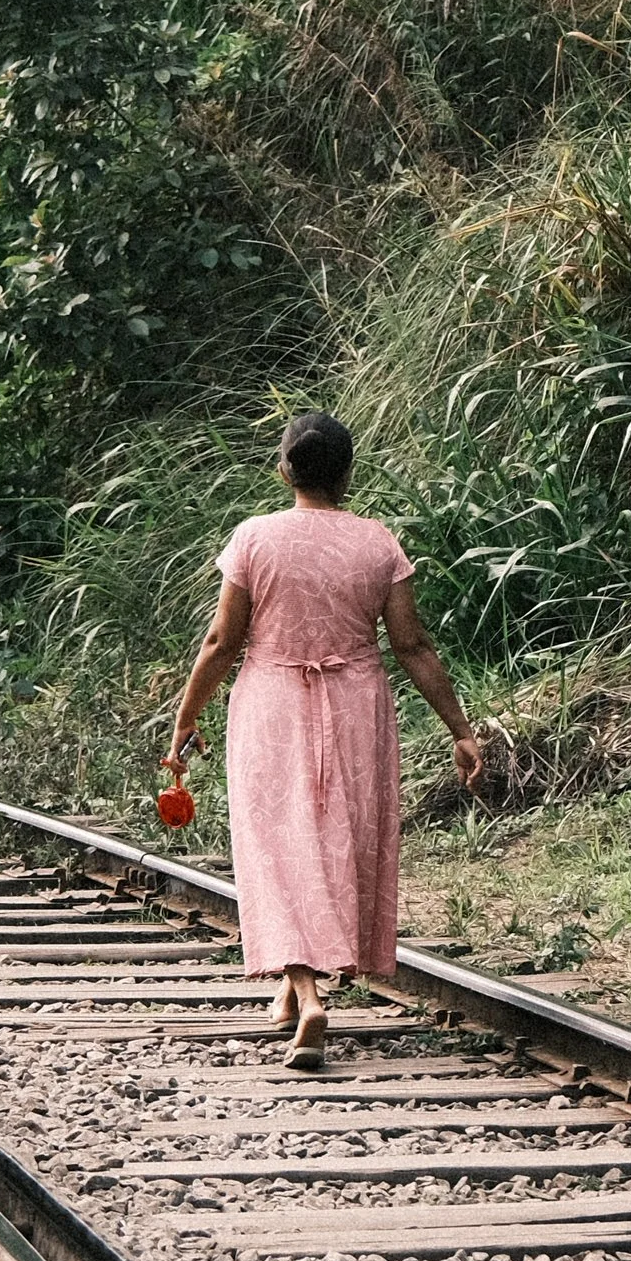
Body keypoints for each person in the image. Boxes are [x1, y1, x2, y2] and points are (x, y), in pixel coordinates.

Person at [170, 411, 483, 1069]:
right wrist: (461, 729)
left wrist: (185, 718)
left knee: (280, 846)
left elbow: (222, 642)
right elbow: (412, 646)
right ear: (348, 474)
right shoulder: (378, 544)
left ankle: (308, 996)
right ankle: (293, 991)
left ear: (284, 469)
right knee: (333, 838)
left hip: (273, 704)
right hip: (355, 705)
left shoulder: (254, 539)